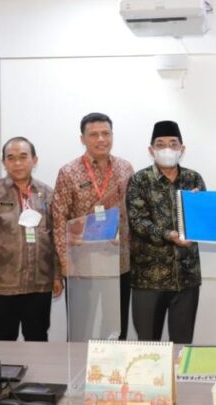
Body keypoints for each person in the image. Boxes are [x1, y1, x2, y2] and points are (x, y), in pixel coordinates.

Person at [52, 113, 135, 340]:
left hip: (118, 263)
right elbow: (58, 220)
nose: (101, 139)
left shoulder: (125, 169)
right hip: (82, 265)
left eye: (106, 133)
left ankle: (113, 364)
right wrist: (65, 262)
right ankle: (78, 364)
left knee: (116, 326)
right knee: (80, 327)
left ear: (112, 135)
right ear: (83, 139)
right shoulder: (68, 172)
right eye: (94, 134)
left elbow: (134, 211)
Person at [0, 137, 62, 341]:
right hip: (3, 285)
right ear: (3, 162)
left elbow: (55, 237)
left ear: (34, 160)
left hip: (40, 283)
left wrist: (57, 275)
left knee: (38, 338)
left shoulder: (47, 194)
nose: (18, 163)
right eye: (11, 158)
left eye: (23, 157)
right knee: (4, 339)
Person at [126, 121, 205, 343]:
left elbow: (200, 221)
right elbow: (138, 222)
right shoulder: (139, 180)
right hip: (149, 279)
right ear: (151, 150)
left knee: (182, 344)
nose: (167, 149)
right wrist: (169, 235)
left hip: (186, 277)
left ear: (182, 149)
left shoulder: (193, 179)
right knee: (148, 346)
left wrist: (215, 203)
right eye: (160, 144)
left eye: (173, 144)